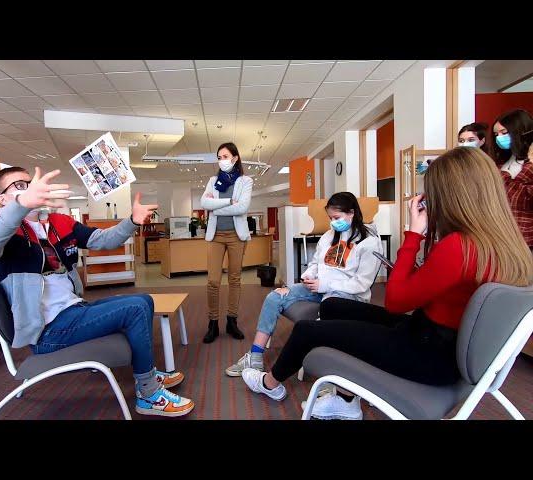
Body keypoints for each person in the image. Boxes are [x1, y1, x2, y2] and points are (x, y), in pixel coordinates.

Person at [241, 147, 533, 420]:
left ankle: (270, 383)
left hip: (426, 353)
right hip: (436, 340)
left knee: (306, 330)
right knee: (333, 306)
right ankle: (345, 401)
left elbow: (394, 300)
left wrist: (413, 234)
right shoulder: (505, 246)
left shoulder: (458, 247)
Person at [0, 166, 194, 418]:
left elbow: (104, 240)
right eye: (19, 187)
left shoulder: (58, 223)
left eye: (29, 183)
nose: (28, 188)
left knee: (143, 300)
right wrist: (20, 206)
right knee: (134, 309)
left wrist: (131, 221)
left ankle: (146, 371)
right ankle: (148, 393)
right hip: (47, 331)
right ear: (3, 199)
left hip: (73, 311)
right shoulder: (2, 228)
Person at [225, 192, 383, 377]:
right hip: (319, 287)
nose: (333, 222)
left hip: (347, 295)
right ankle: (255, 357)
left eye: (336, 217)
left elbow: (361, 284)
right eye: (330, 218)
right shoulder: (328, 236)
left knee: (329, 307)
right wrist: (308, 276)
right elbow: (316, 263)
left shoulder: (369, 243)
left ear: (352, 213)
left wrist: (324, 284)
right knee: (275, 296)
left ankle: (331, 373)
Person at [200, 142, 253, 343]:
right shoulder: (213, 181)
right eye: (219, 157)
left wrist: (216, 207)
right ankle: (212, 323)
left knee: (234, 279)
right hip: (215, 236)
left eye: (225, 156)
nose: (222, 160)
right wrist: (228, 201)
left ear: (235, 158)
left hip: (235, 236)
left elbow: (242, 208)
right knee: (213, 281)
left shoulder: (245, 181)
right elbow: (204, 203)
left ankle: (232, 321)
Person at [491, 109, 533, 251]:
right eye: (496, 134)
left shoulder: (529, 165)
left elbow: (516, 195)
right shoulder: (501, 161)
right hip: (500, 239)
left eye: (504, 132)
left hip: (526, 241)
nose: (499, 138)